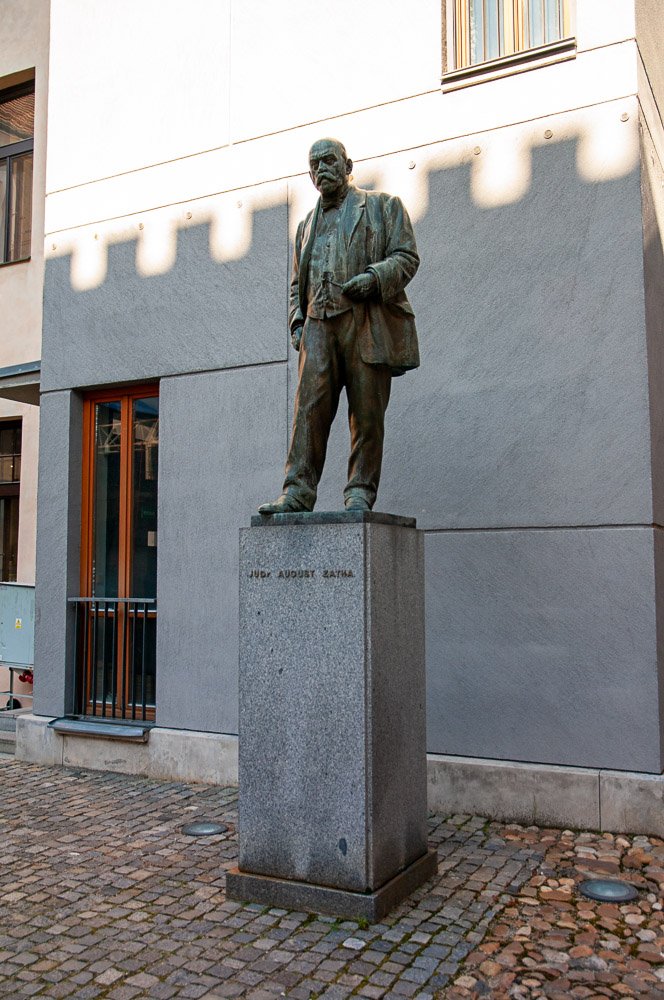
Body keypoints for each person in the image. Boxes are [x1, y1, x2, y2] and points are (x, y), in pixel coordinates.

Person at [259, 138, 420, 514]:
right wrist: (297, 323)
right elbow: (297, 285)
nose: (321, 169)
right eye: (314, 165)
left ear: (348, 166)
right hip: (318, 326)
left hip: (364, 322)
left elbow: (406, 256)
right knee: (308, 412)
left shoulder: (383, 207)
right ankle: (298, 491)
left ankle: (360, 490)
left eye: (329, 161)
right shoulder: (305, 227)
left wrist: (375, 278)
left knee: (366, 414)